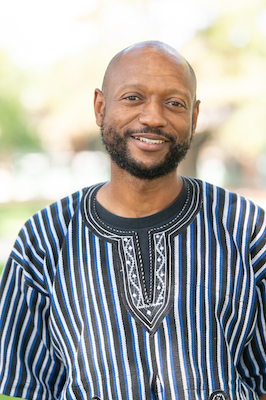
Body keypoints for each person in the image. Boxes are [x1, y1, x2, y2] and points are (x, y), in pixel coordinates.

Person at [0, 40, 266, 400]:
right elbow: (27, 386)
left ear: (195, 116)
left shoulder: (246, 231)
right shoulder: (44, 240)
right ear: (100, 107)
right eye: (133, 98)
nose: (153, 117)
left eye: (174, 103)